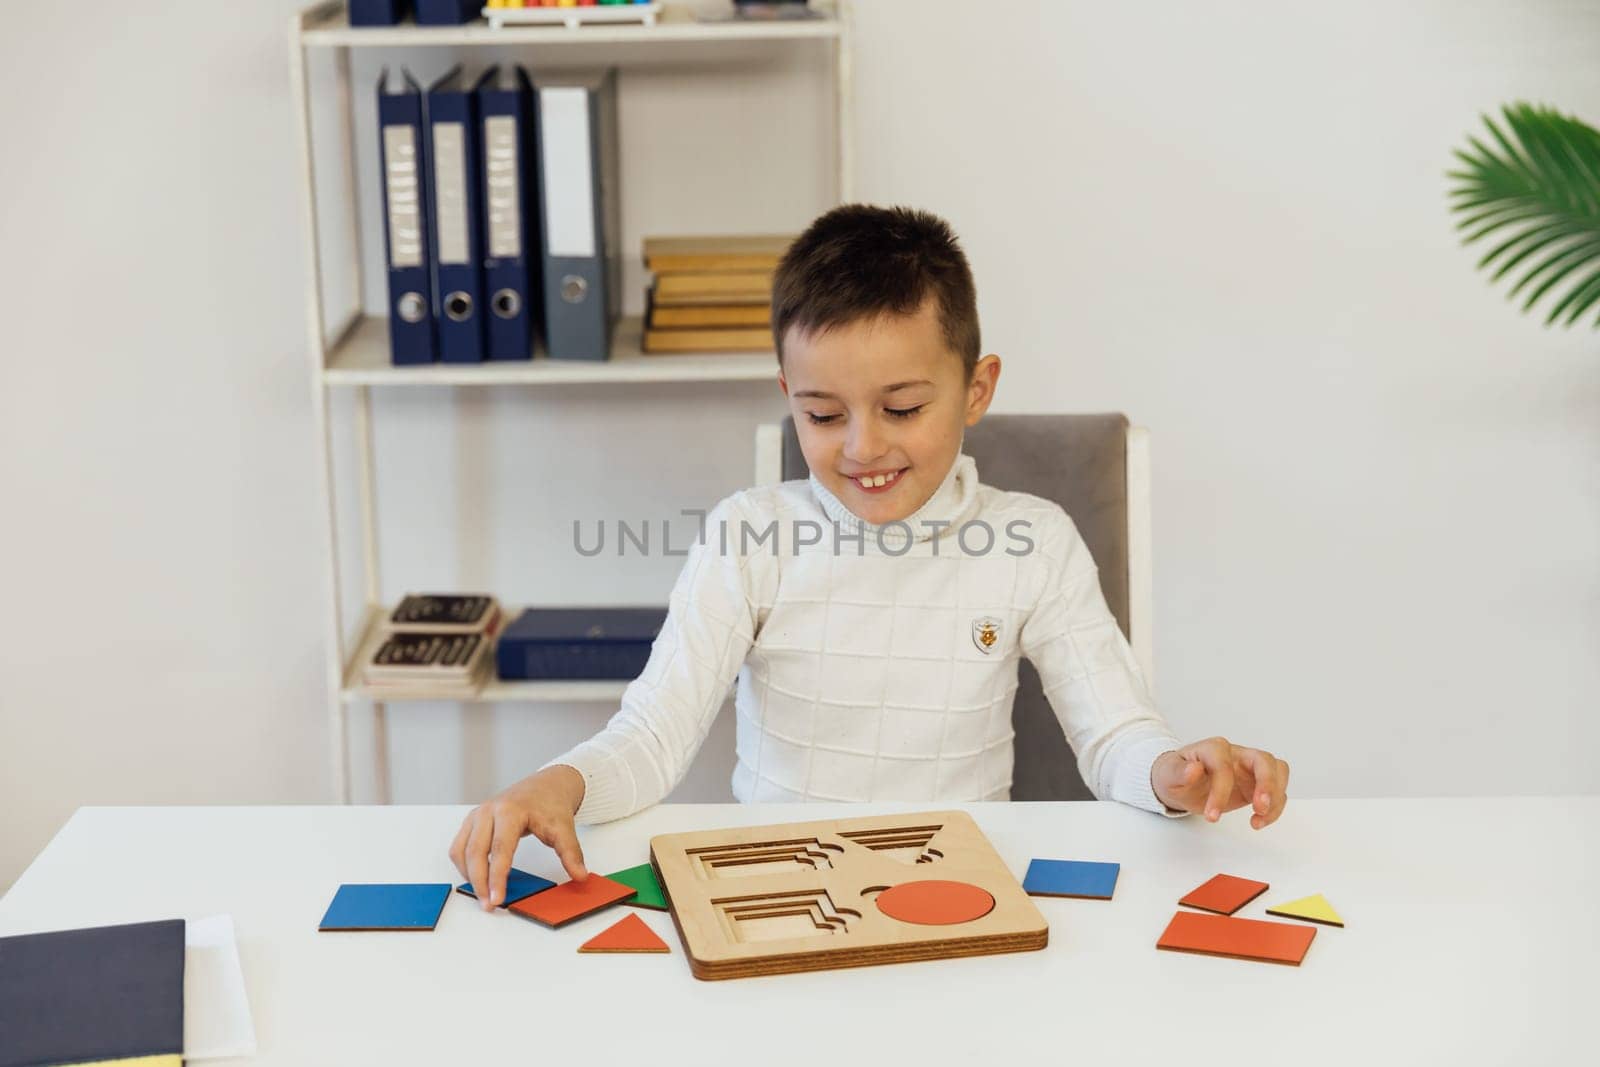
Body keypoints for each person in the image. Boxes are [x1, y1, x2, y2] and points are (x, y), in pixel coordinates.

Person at [450, 205, 1290, 908]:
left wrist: (1174, 774)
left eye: (902, 405)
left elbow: (1115, 738)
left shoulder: (1033, 539)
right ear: (788, 396)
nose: (863, 446)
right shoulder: (750, 535)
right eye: (822, 414)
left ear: (977, 388)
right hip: (777, 890)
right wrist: (557, 782)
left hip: (955, 889)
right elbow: (653, 735)